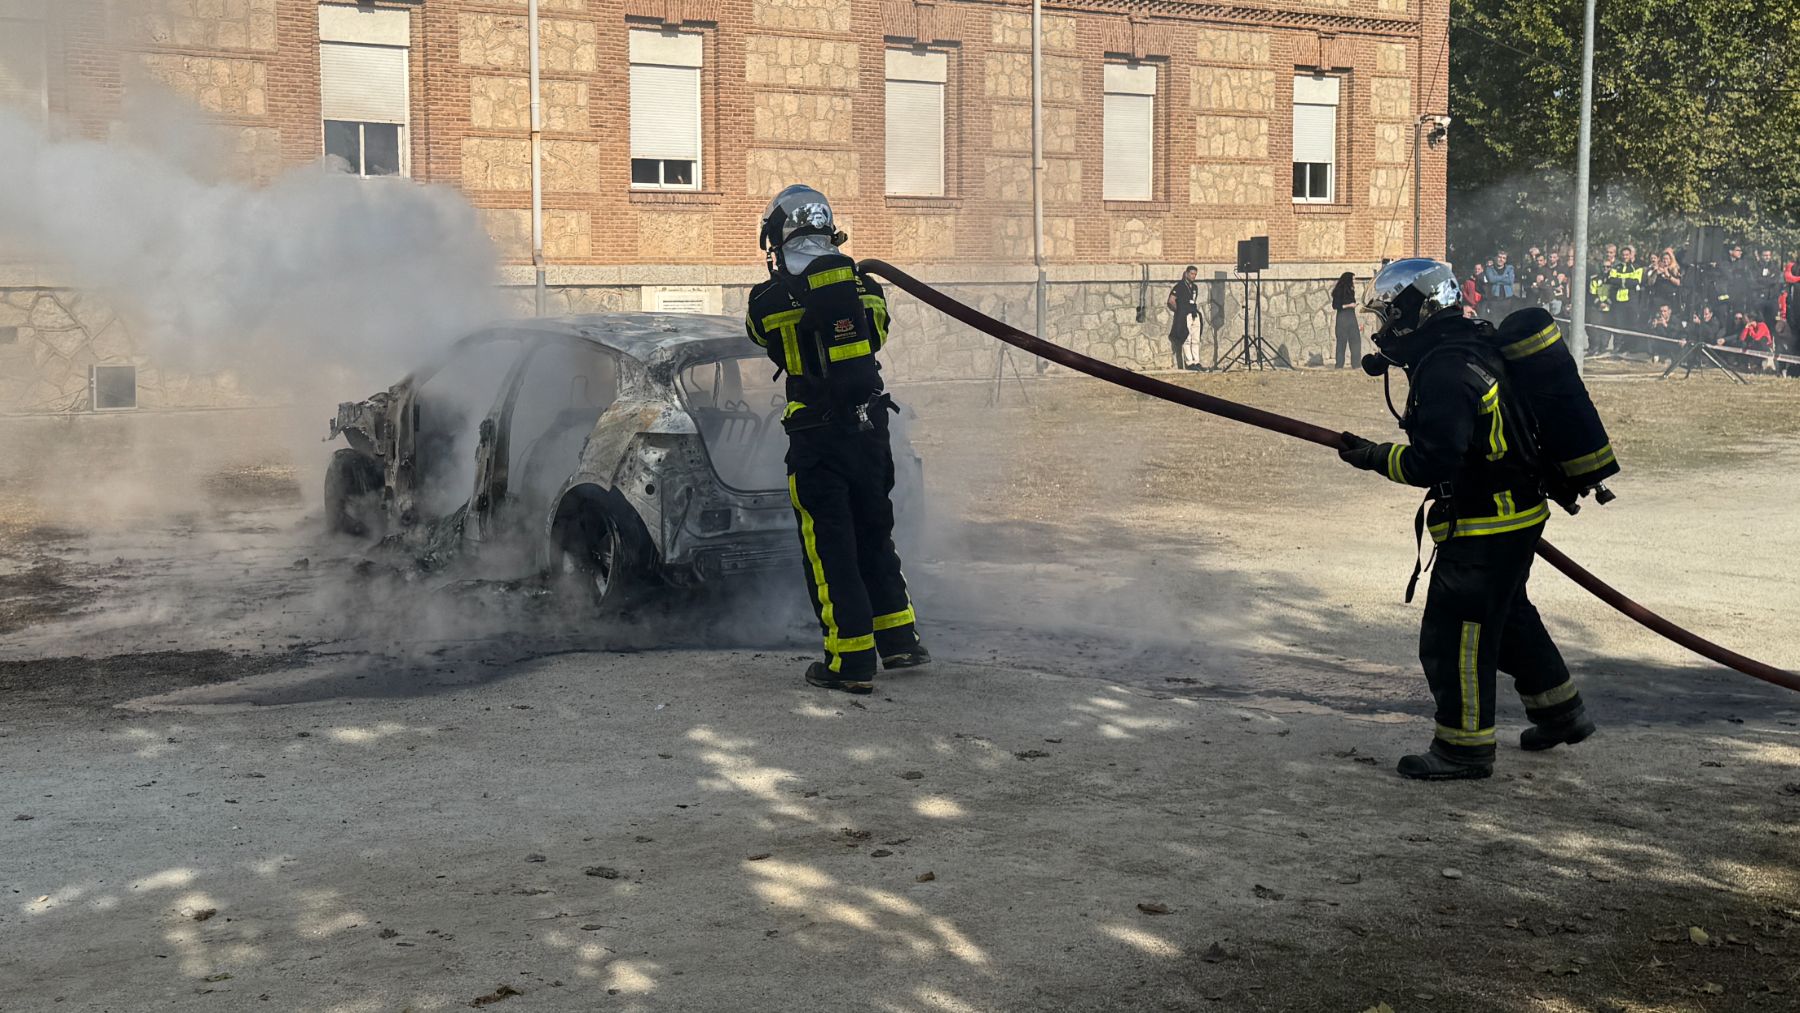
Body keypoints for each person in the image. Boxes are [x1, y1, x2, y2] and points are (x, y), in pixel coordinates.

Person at [1337, 259, 1595, 780]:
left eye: (1387, 317)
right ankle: (1559, 711)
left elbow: (1432, 462)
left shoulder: (1446, 370)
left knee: (1455, 635)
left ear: (1413, 312)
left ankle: (1463, 748)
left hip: (1485, 524)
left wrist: (1373, 456)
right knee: (1509, 616)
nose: (1382, 330)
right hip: (1516, 511)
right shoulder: (1473, 343)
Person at [745, 184, 928, 694]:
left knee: (830, 549)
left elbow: (759, 335)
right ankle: (900, 640)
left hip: (817, 438)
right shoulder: (864, 286)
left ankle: (849, 662)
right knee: (875, 534)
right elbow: (880, 333)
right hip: (870, 431)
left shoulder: (768, 299)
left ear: (778, 237)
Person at [1166, 266, 1201, 370]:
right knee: (1187, 338)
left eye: (1195, 274)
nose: (1193, 276)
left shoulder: (1194, 287)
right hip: (1185, 314)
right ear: (1186, 274)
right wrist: (1179, 311)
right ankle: (1189, 362)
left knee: (1196, 339)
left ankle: (1196, 361)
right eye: (1191, 274)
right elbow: (1171, 300)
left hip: (1194, 313)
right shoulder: (1179, 286)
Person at [1330, 271, 1361, 368]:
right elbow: (1335, 306)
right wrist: (1349, 305)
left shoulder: (1351, 291)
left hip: (1351, 317)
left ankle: (1356, 364)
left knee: (1355, 341)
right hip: (1342, 318)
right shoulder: (1339, 291)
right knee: (1341, 342)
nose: (1354, 281)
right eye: (1353, 279)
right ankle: (1339, 365)